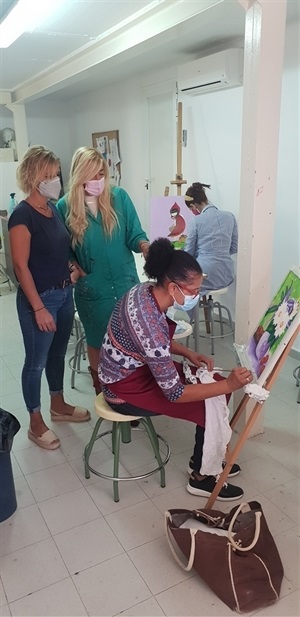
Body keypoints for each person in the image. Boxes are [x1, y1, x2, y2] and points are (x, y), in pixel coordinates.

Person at [99, 238, 253, 501]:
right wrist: (229, 385)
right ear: (173, 287)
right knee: (211, 398)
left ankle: (206, 460)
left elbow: (155, 344)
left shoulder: (145, 291)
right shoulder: (148, 324)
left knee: (212, 384)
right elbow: (174, 393)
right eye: (193, 290)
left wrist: (188, 352)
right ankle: (201, 477)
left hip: (134, 369)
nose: (197, 295)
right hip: (123, 389)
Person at [8, 146, 90, 451]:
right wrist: (39, 307)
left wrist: (71, 268)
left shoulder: (52, 209)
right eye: (49, 175)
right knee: (36, 363)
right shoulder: (22, 215)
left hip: (64, 293)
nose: (55, 180)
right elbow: (20, 266)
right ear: (33, 177)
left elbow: (57, 248)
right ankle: (35, 421)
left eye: (56, 174)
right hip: (40, 300)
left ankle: (58, 404)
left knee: (57, 355)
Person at [56, 146, 149, 395]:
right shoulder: (64, 207)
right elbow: (63, 251)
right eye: (92, 175)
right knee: (98, 343)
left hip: (125, 284)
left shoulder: (119, 197)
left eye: (101, 174)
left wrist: (145, 246)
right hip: (92, 290)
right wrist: (75, 267)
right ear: (79, 175)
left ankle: (130, 395)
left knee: (130, 342)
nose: (98, 181)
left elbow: (134, 234)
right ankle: (103, 391)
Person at [184, 182, 238, 295]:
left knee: (180, 282)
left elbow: (188, 253)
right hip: (227, 274)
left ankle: (193, 312)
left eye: (190, 209)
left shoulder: (196, 221)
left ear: (193, 206)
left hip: (205, 275)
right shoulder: (230, 216)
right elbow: (234, 247)